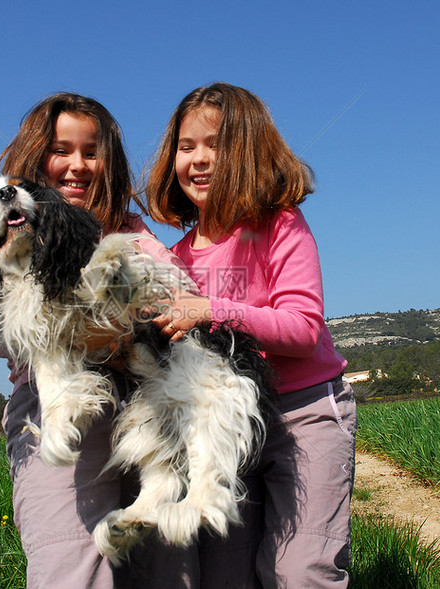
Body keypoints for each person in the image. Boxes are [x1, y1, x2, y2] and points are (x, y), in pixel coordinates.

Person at [146, 82, 357, 588]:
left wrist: (210, 309)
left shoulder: (280, 224)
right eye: (186, 146)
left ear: (248, 151)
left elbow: (305, 329)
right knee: (225, 574)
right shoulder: (175, 257)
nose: (198, 160)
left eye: (215, 145)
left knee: (299, 570)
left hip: (304, 415)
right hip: (227, 429)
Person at [0, 92, 196, 588]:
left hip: (148, 402)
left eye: (91, 152)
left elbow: (179, 293)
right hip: (53, 412)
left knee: (167, 568)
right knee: (72, 565)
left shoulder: (130, 230)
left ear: (110, 162)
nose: (77, 165)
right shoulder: (13, 225)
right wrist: (98, 328)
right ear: (36, 157)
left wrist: (107, 323)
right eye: (61, 151)